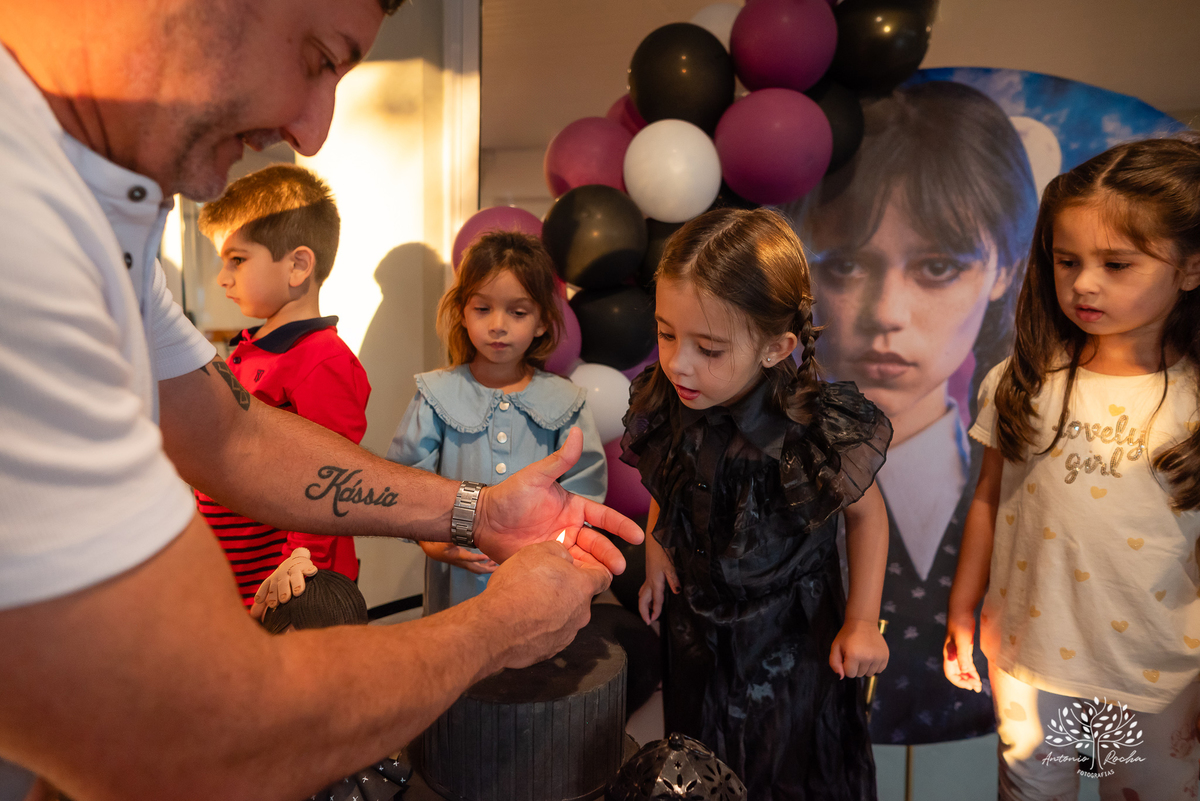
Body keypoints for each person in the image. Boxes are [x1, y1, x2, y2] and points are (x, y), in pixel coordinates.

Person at [0, 2, 643, 799]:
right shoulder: (21, 226)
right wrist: (498, 627)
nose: (314, 129)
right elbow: (208, 733)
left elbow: (233, 436)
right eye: (318, 58)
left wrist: (481, 511)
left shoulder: (93, 198)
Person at [782, 80, 1039, 745]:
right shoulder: (771, 459)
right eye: (842, 266)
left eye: (937, 265)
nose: (886, 314)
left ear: (1005, 269)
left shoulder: (1030, 453)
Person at [944, 135, 1200, 799]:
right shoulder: (1022, 381)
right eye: (1067, 260)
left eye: (1117, 263)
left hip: (1157, 675)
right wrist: (962, 609)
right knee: (1031, 790)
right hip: (1031, 658)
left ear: (1191, 267)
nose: (1084, 283)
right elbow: (988, 499)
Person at [625, 207, 892, 800]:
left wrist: (861, 623)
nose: (678, 363)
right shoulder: (672, 398)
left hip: (789, 643)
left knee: (780, 774)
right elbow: (666, 479)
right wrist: (656, 549)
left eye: (709, 348)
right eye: (667, 333)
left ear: (777, 347)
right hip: (696, 632)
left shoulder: (808, 429)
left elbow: (868, 517)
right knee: (700, 766)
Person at [387, 231, 606, 613]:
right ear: (461, 312)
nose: (498, 325)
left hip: (539, 575)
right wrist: (430, 539)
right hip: (458, 578)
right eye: (483, 309)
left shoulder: (565, 400)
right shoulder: (436, 393)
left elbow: (583, 488)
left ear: (541, 321)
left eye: (518, 312)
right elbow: (407, 478)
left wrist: (557, 544)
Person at [194, 164, 367, 604]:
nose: (222, 277)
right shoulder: (251, 348)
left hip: (284, 586)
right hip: (235, 574)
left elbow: (331, 479)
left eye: (237, 259)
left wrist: (294, 576)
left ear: (297, 265)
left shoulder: (321, 359)